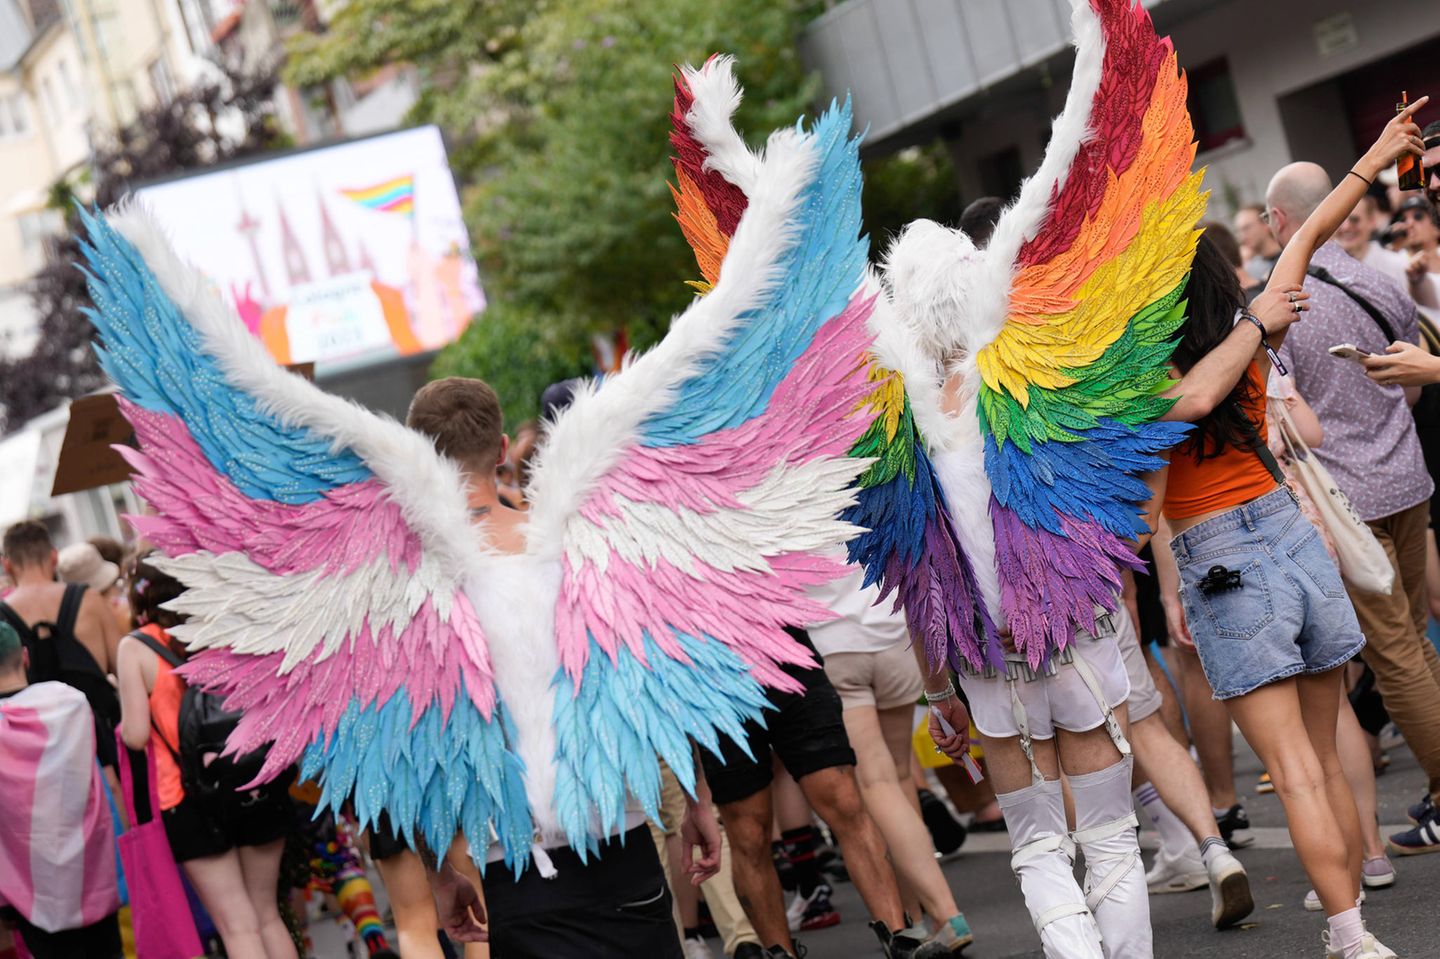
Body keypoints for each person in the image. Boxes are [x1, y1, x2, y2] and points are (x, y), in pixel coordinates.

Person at [1153, 102, 1428, 959]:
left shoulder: (1141, 369)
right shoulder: (1259, 315)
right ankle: (1354, 926)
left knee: (1299, 769)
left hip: (1221, 553)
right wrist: (1376, 154)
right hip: (1292, 532)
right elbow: (1307, 231)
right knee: (1325, 749)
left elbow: (1161, 474)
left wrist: (1167, 585)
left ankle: (1349, 933)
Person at [403, 378, 723, 959]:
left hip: (513, 857)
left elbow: (418, 738)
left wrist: (438, 873)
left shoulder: (419, 588)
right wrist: (698, 795)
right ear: (503, 450)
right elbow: (652, 678)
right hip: (619, 831)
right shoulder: (581, 548)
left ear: (420, 459)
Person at [1265, 134, 1440, 860]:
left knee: (1393, 651)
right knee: (1414, 641)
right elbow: (1411, 354)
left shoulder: (1285, 299)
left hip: (1349, 494)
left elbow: (1280, 399)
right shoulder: (1379, 278)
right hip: (1406, 472)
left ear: (1282, 222)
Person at [116, 552, 299, 959]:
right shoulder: (222, 626)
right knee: (267, 914)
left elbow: (135, 735)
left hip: (186, 798)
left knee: (237, 926)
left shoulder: (136, 646)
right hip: (252, 781)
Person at [809, 566, 975, 953]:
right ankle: (918, 915)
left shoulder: (772, 503)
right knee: (901, 782)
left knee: (875, 784)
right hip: (894, 631)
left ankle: (945, 913)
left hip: (835, 642)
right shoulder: (865, 499)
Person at [0, 620, 121, 959]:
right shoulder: (70, 703)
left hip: (28, 890)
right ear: (25, 657)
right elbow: (110, 780)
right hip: (92, 870)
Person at [0, 521, 123, 781]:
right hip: (102, 746)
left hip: (37, 759)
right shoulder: (89, 599)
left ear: (7, 565)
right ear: (53, 556)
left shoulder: (3, 620)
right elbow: (120, 667)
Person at [1390, 195, 1440, 310]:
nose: (1409, 224)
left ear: (1437, 228)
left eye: (1418, 217)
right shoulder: (1396, 262)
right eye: (1404, 219)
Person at [1235, 203, 1281, 281]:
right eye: (1239, 231)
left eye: (1247, 228)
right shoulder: (1250, 269)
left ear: (1266, 223)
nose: (1242, 237)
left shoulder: (1289, 254)